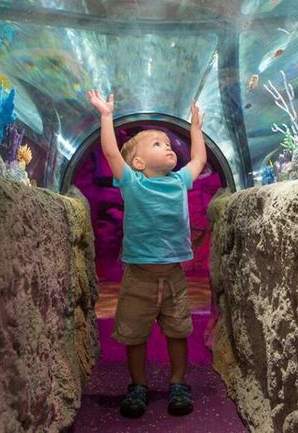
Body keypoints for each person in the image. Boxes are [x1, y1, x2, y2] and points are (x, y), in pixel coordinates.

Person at [87, 89, 207, 419]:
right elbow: (112, 154)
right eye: (158, 144)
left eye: (169, 144)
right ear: (138, 163)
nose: (168, 147)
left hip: (173, 278)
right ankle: (137, 385)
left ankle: (178, 383)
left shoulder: (180, 180)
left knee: (178, 332)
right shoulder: (132, 183)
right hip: (138, 277)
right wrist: (107, 117)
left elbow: (198, 160)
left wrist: (195, 130)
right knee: (133, 334)